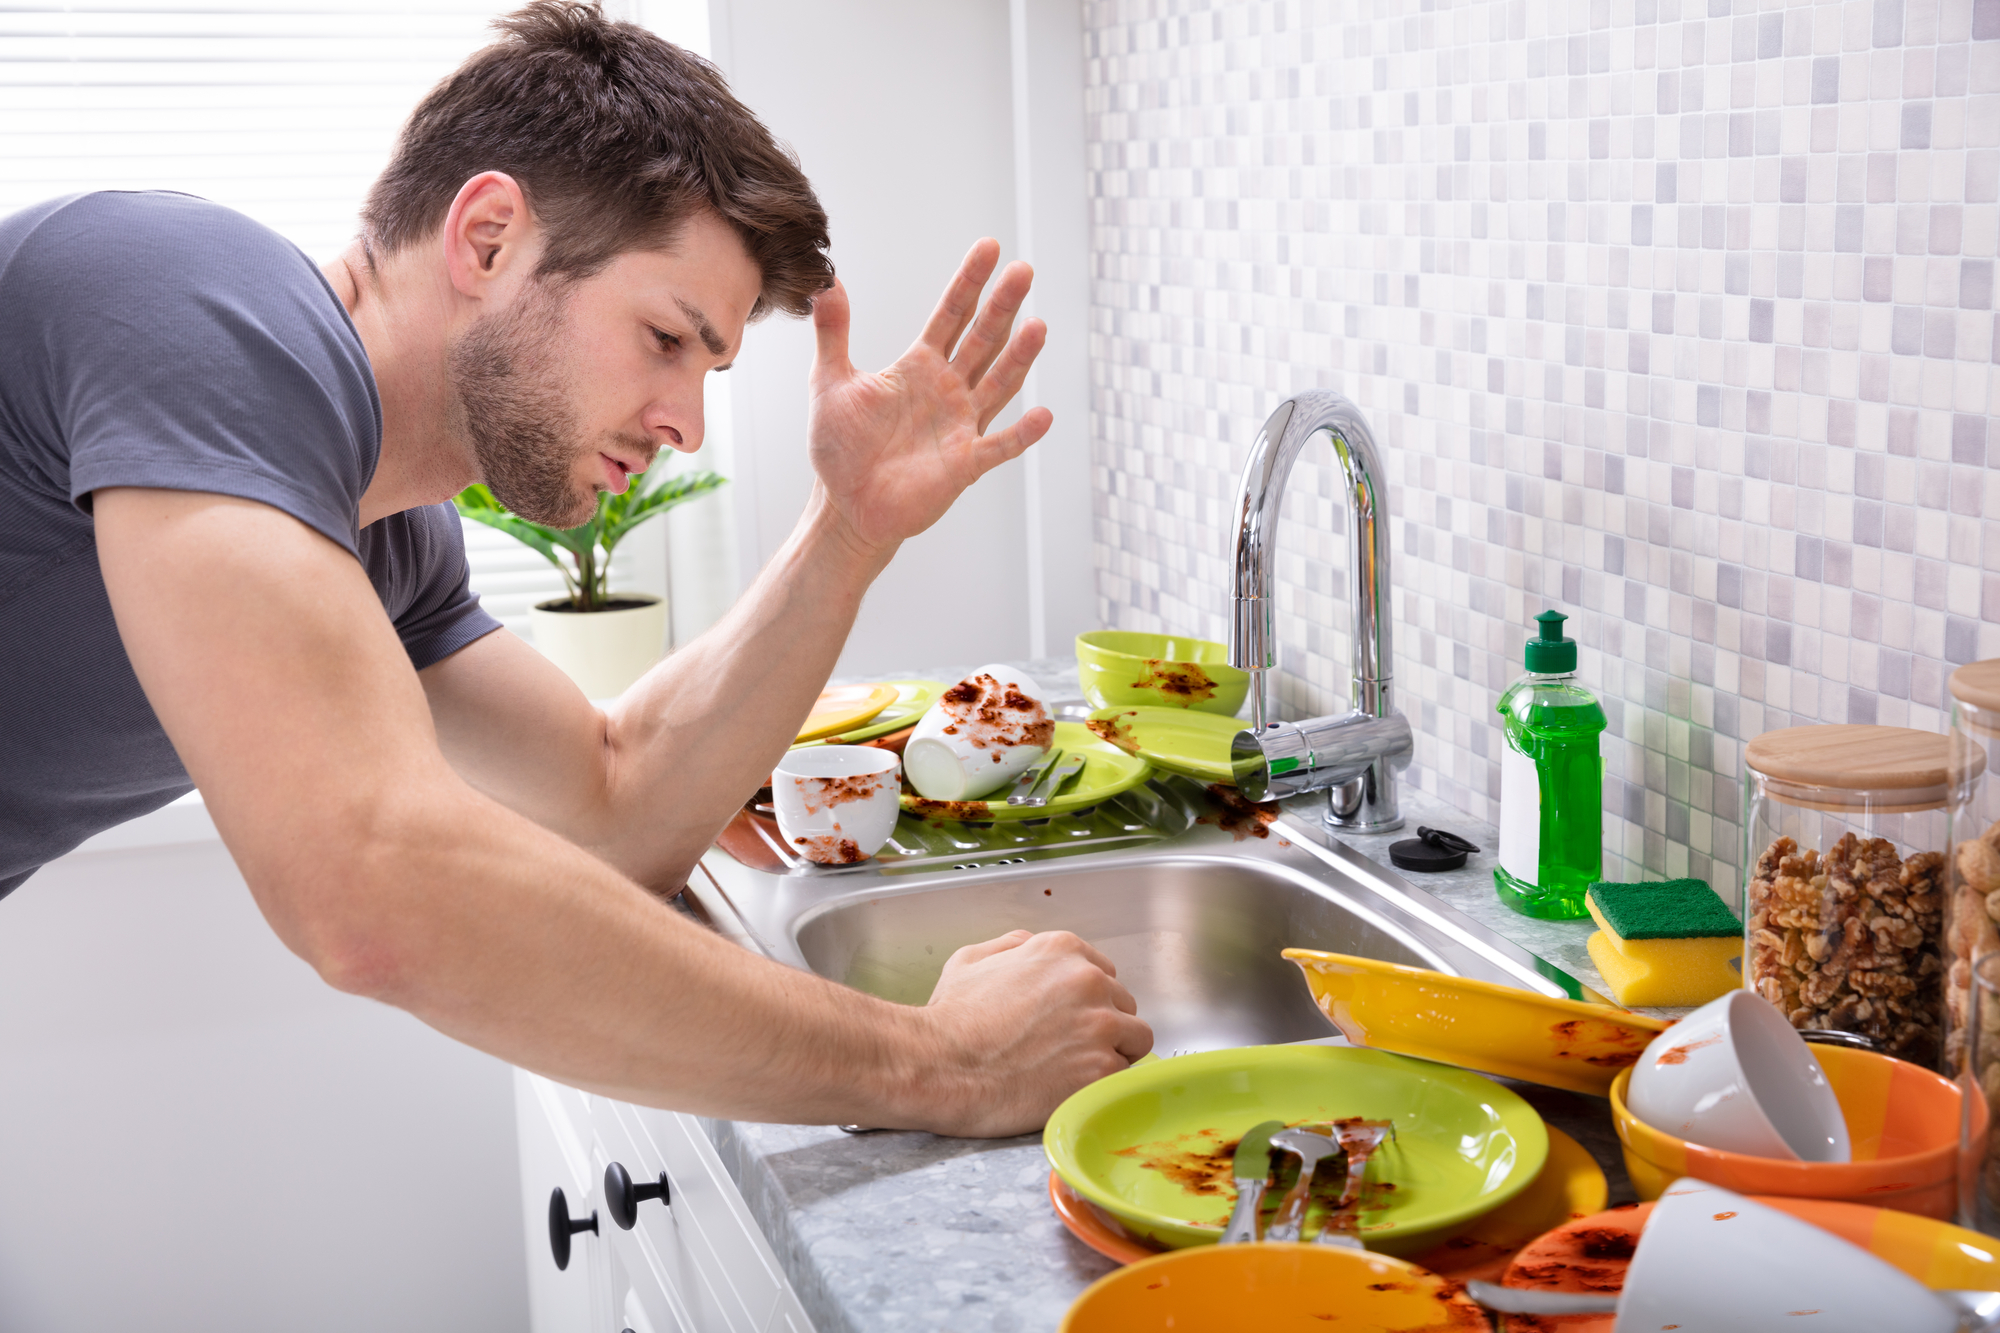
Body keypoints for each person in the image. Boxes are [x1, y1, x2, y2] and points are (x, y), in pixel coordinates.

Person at [0, 0, 1151, 1137]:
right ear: (488, 238)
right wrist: (939, 1063)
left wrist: (845, 533)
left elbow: (615, 807)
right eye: (665, 339)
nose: (686, 426)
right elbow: (370, 883)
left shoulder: (385, 544)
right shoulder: (189, 301)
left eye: (709, 369)